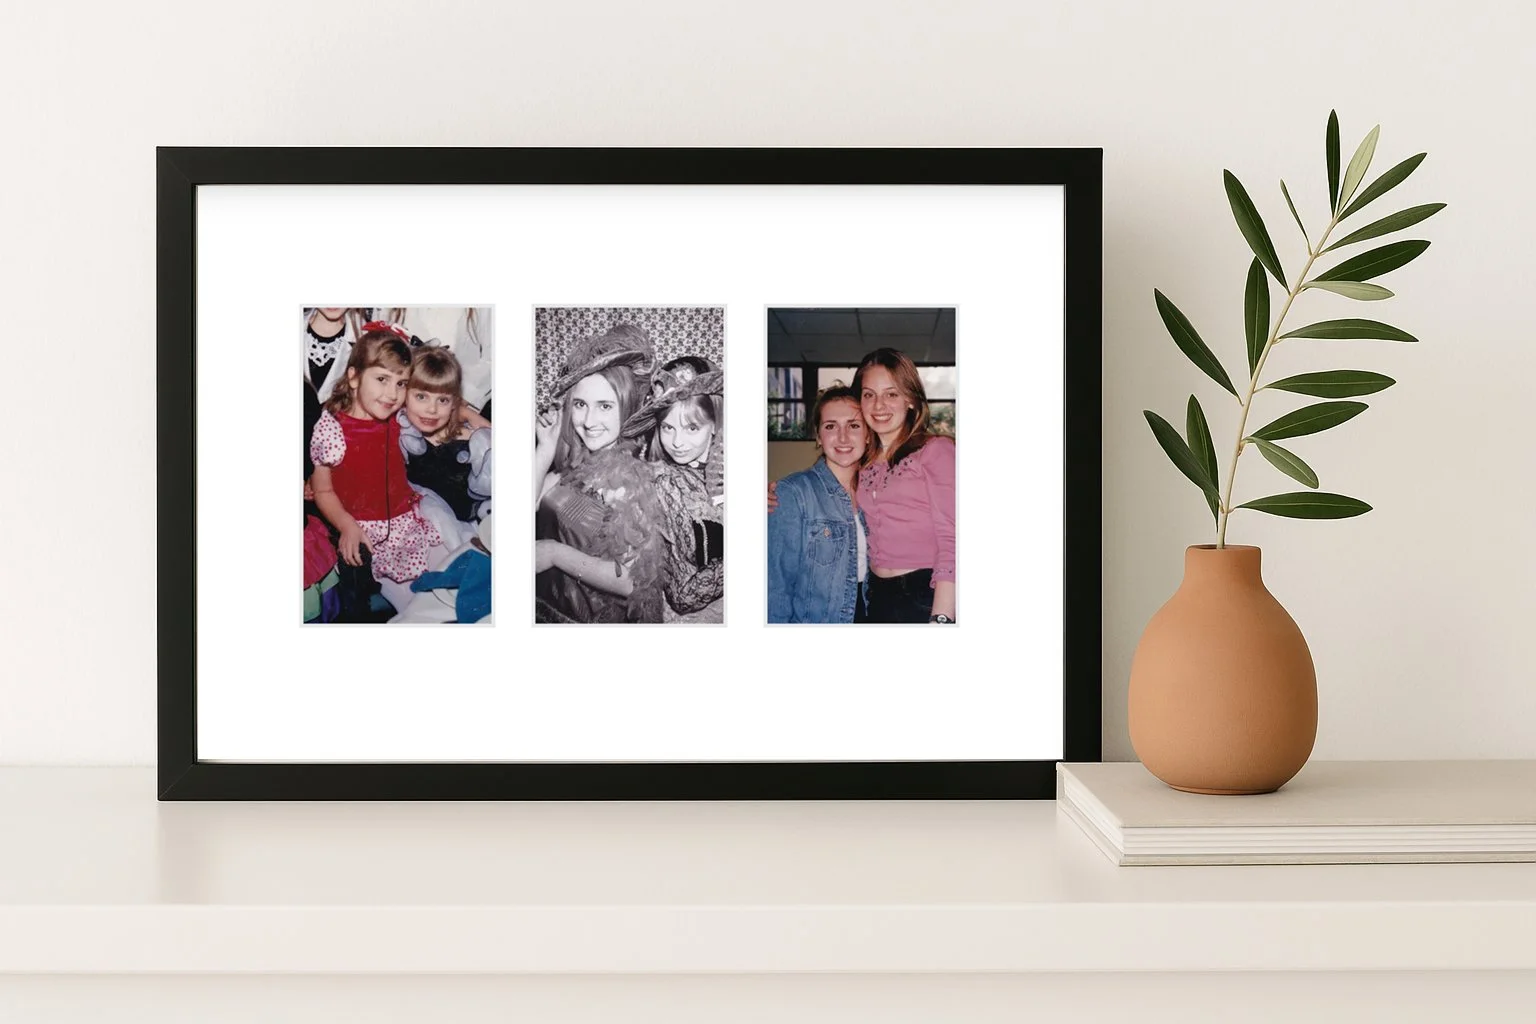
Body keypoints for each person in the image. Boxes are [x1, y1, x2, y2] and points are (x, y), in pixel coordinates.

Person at [308, 325, 444, 620]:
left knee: (448, 585)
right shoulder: (332, 428)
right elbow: (323, 490)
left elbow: (442, 402)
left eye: (401, 383)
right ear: (354, 377)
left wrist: (476, 419)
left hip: (407, 522)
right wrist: (346, 524)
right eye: (382, 379)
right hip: (366, 533)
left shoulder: (398, 416)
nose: (393, 394)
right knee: (416, 612)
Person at [534, 324, 666, 624]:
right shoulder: (575, 464)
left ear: (627, 407)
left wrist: (554, 554)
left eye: (605, 406)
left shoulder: (630, 482)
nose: (589, 421)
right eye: (580, 405)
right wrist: (545, 450)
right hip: (544, 608)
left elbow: (631, 582)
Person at [853, 347, 956, 623]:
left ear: (910, 399)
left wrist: (942, 617)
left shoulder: (936, 451)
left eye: (891, 394)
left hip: (924, 594)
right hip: (875, 595)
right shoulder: (862, 462)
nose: (878, 406)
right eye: (869, 395)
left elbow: (953, 538)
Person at [767, 386, 869, 623]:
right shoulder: (793, 493)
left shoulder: (878, 490)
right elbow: (776, 587)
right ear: (818, 436)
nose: (843, 437)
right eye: (830, 426)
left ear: (868, 435)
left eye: (854, 426)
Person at [647, 356, 725, 622]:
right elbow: (682, 597)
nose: (677, 442)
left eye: (692, 427)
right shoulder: (666, 483)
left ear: (715, 424)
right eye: (667, 427)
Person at [398, 346, 492, 550]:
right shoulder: (402, 435)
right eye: (421, 397)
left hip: (472, 535)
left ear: (454, 403)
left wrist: (467, 414)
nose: (431, 409)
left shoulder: (471, 442)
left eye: (442, 400)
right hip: (421, 538)